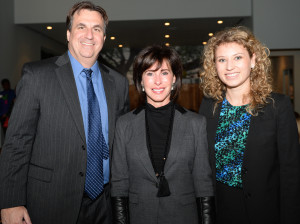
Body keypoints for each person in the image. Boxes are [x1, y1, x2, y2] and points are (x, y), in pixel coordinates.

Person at [0, 1, 129, 224]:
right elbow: (17, 143)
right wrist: (11, 202)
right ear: (68, 34)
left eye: (97, 29)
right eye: (81, 27)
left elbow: (121, 142)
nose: (89, 35)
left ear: (104, 38)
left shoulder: (118, 83)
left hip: (105, 204)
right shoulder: (37, 76)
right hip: (51, 202)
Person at [199, 26, 300, 224]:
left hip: (266, 212)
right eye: (222, 60)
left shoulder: (277, 106)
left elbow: (291, 174)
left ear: (253, 60)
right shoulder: (208, 106)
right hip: (221, 212)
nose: (229, 66)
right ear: (214, 65)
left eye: (237, 57)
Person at [110, 45, 215, 224]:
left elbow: (203, 183)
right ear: (141, 81)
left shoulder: (195, 124)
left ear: (174, 78)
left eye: (164, 73)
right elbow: (119, 183)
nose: (157, 81)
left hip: (184, 217)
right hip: (140, 216)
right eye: (150, 74)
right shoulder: (124, 124)